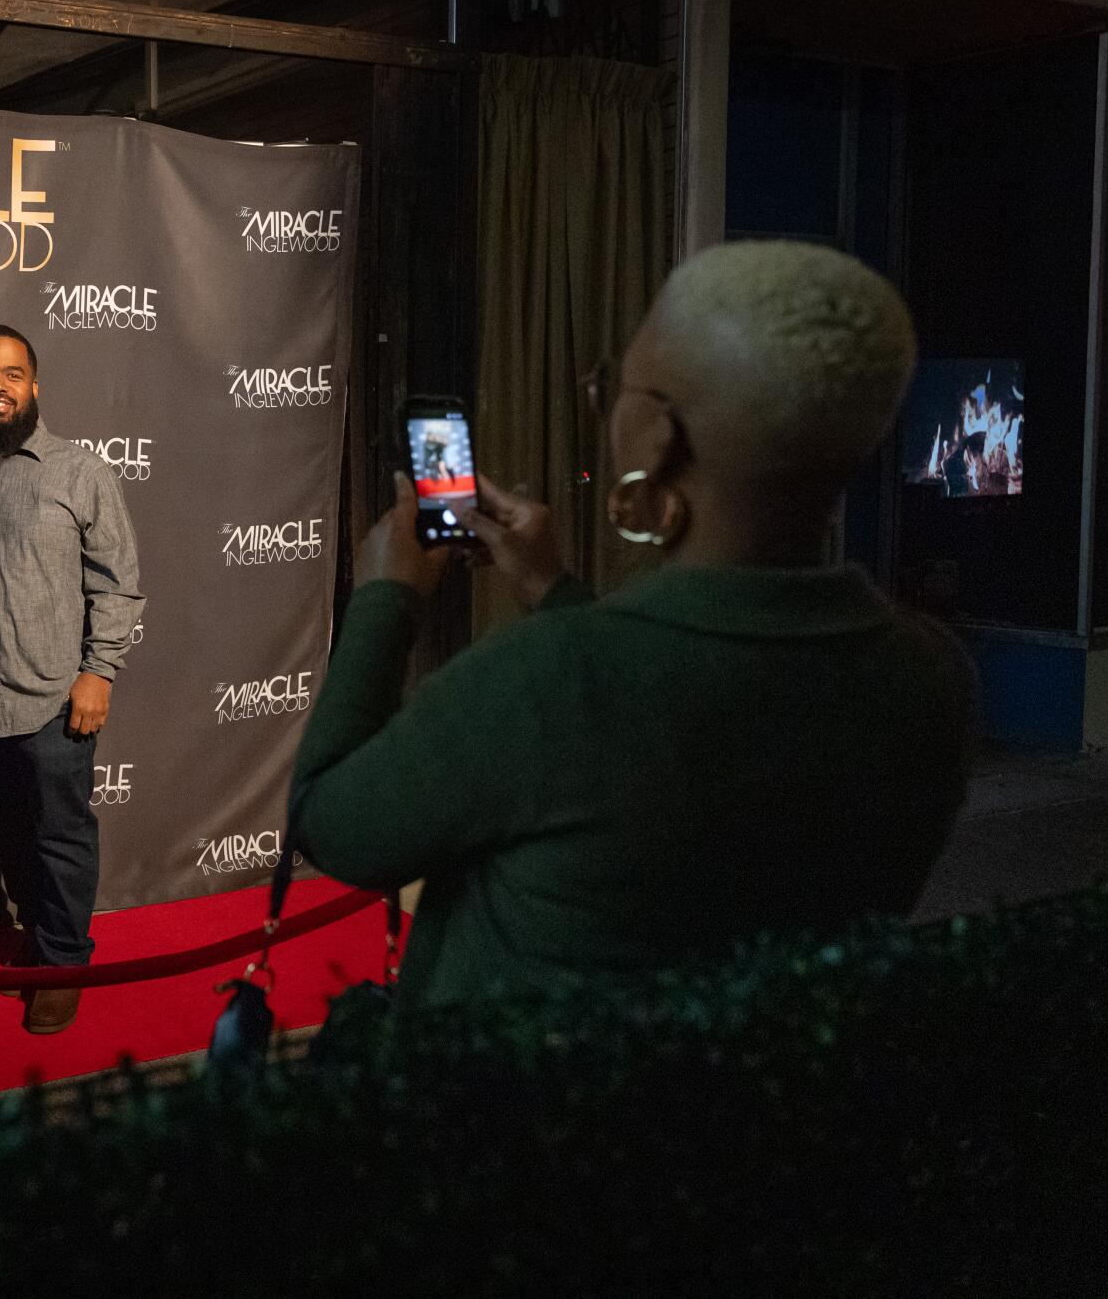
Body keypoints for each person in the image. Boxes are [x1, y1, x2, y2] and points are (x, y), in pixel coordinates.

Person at [289, 240, 976, 1011]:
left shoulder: (548, 679)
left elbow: (332, 820)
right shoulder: (931, 674)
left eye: (614, 386)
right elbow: (662, 728)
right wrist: (552, 588)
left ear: (661, 437)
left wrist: (388, 596)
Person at [0, 325, 144, 1034]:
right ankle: (39, 936)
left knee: (59, 834)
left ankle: (61, 963)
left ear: (35, 385)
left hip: (55, 696)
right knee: (7, 830)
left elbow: (118, 586)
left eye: (12, 374)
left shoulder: (79, 471)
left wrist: (98, 671)